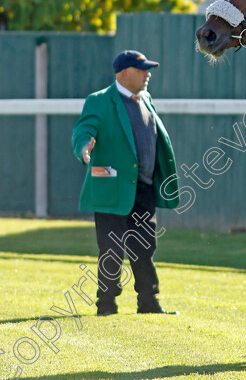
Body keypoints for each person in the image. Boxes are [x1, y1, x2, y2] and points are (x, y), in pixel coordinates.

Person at [72, 49, 180, 316]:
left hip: (142, 188)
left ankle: (149, 302)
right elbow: (83, 130)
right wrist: (84, 147)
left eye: (148, 69)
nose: (147, 74)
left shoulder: (146, 100)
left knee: (145, 246)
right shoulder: (99, 100)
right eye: (141, 69)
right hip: (111, 189)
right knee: (110, 249)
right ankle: (106, 304)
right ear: (123, 73)